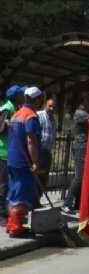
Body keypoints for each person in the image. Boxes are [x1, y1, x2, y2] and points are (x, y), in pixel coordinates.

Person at [6, 87, 43, 237]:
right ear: (38, 99)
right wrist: (34, 163)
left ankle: (11, 224)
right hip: (24, 162)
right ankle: (16, 228)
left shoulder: (17, 114)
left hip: (12, 160)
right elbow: (31, 140)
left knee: (14, 193)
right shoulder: (30, 116)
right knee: (22, 194)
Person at [62, 92, 89, 214]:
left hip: (84, 147)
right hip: (80, 147)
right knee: (79, 177)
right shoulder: (80, 113)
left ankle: (77, 203)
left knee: (83, 177)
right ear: (84, 101)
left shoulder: (85, 113)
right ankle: (67, 203)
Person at [0, 85, 25, 226]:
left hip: (9, 152)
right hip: (3, 152)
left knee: (7, 185)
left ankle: (7, 212)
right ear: (16, 96)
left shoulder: (14, 108)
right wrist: (9, 126)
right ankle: (1, 214)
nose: (23, 96)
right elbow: (1, 128)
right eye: (21, 94)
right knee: (2, 185)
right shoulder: (7, 109)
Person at [35, 97, 57, 208]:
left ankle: (37, 200)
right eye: (50, 106)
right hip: (39, 151)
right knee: (36, 177)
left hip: (47, 152)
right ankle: (32, 202)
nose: (51, 108)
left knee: (44, 178)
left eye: (53, 106)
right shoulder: (39, 115)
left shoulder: (53, 119)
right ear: (45, 105)